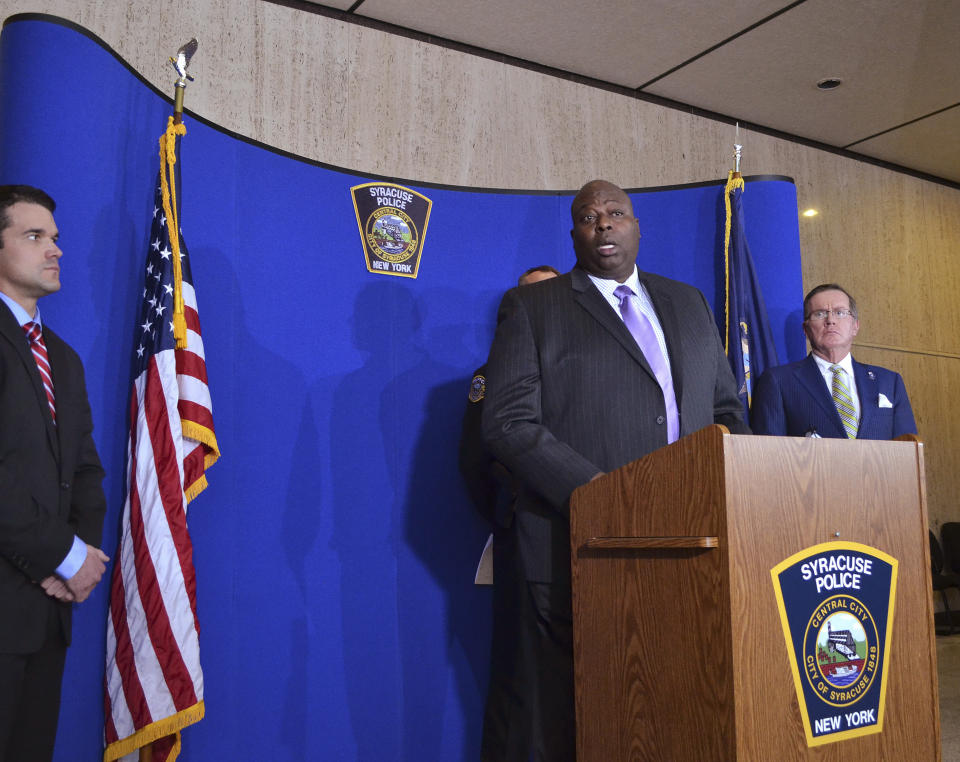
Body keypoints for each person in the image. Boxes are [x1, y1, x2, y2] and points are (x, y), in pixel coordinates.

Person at [480, 180, 747, 760]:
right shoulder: (532, 308)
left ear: (637, 227)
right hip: (575, 545)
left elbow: (727, 411)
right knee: (567, 720)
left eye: (615, 213)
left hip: (688, 542)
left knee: (670, 708)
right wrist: (603, 494)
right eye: (587, 216)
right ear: (574, 232)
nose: (603, 224)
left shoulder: (690, 303)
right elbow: (506, 422)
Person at [0, 185, 109, 762]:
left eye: (57, 239)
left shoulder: (62, 357)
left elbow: (86, 472)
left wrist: (80, 560)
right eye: (34, 236)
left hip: (49, 614)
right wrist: (61, 557)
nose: (55, 251)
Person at [459, 264, 559, 762]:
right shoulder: (491, 374)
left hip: (590, 536)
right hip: (525, 533)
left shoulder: (586, 369)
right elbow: (476, 464)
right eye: (531, 298)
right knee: (523, 673)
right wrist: (511, 514)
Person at [750, 283, 917, 439]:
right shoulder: (778, 381)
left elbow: (908, 450)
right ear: (806, 330)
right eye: (820, 314)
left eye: (840, 312)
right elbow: (770, 454)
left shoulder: (889, 382)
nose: (830, 320)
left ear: (855, 326)